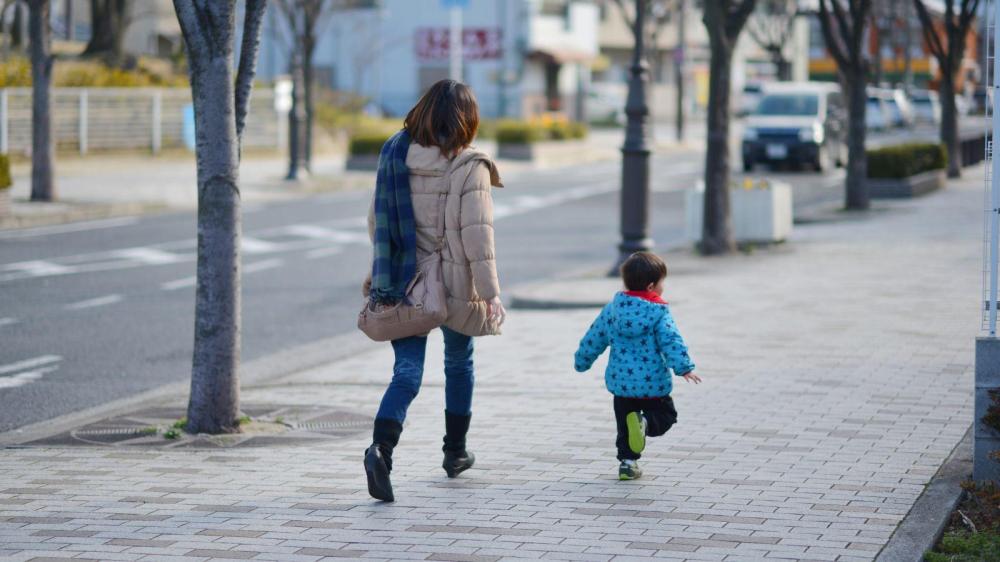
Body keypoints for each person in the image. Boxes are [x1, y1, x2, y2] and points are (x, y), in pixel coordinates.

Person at [362, 80, 506, 502]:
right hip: (455, 280)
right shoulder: (469, 165)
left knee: (406, 372)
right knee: (459, 363)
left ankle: (381, 450)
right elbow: (477, 236)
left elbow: (376, 222)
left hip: (403, 279)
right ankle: (455, 453)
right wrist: (491, 292)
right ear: (467, 119)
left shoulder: (395, 154)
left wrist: (387, 266)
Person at [574, 251, 700, 480]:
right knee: (666, 416)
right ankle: (645, 422)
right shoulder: (658, 313)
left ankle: (627, 464)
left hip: (621, 383)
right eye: (663, 283)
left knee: (625, 424)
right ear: (652, 286)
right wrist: (684, 367)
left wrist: (582, 361)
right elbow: (671, 340)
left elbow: (594, 336)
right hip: (652, 383)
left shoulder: (612, 309)